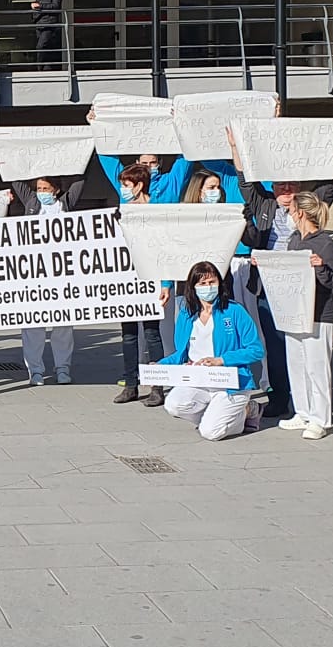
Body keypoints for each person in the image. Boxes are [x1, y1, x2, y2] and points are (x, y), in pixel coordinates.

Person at [267, 194, 333, 441]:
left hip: (318, 313)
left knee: (317, 367)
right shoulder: (293, 240)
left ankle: (320, 418)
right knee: (297, 365)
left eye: (290, 210)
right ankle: (302, 411)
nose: (288, 215)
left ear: (300, 212)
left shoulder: (324, 243)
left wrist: (320, 265)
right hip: (294, 311)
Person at [161, 262, 264, 441]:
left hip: (230, 382)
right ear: (193, 287)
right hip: (198, 379)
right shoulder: (187, 314)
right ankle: (216, 416)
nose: (208, 287)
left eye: (212, 282)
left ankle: (246, 411)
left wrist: (222, 360)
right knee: (173, 404)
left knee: (211, 433)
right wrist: (157, 368)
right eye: (202, 283)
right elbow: (180, 353)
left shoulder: (234, 311)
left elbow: (256, 350)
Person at [9, 175, 86, 386]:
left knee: (63, 323)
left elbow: (80, 178)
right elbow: (15, 179)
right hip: (34, 274)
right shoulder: (32, 202)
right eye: (38, 188)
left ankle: (63, 368)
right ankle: (35, 370)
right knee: (33, 324)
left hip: (62, 275)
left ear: (56, 190)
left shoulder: (66, 204)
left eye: (45, 188)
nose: (41, 192)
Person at [111, 164, 171, 406]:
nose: (123, 190)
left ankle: (157, 386)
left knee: (151, 334)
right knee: (128, 335)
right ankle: (131, 384)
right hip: (127, 281)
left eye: (126, 185)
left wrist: (165, 284)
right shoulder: (120, 211)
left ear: (139, 185)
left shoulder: (157, 210)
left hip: (151, 279)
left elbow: (165, 248)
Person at [30, 0, 63, 65]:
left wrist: (40, 6)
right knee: (44, 49)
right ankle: (44, 68)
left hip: (49, 24)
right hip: (40, 23)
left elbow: (56, 6)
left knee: (41, 47)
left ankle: (39, 70)